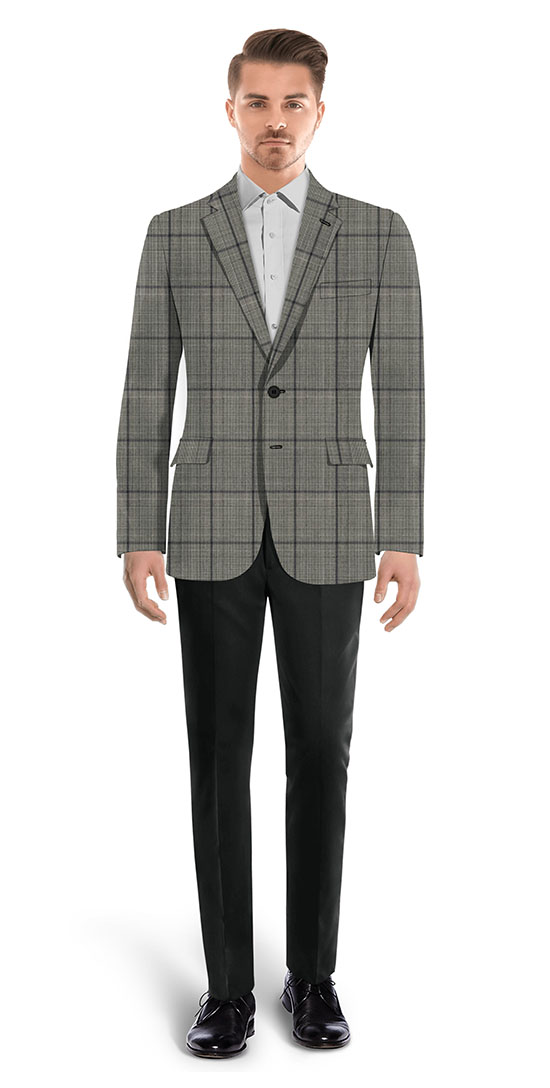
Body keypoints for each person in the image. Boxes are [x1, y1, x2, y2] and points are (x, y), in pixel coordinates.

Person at [116, 27, 424, 1058]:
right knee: (217, 758)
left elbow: (404, 393)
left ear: (319, 113)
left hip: (333, 525)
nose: (276, 121)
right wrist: (137, 529)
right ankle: (226, 991)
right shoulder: (175, 233)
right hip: (206, 524)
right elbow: (146, 388)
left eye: (295, 103)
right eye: (258, 101)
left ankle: (313, 977)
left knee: (321, 755)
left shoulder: (378, 234)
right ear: (231, 110)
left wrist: (403, 534)